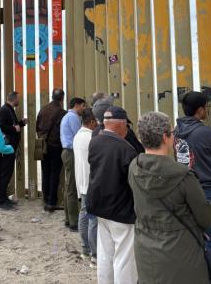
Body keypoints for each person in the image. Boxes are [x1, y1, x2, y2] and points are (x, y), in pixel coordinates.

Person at [129, 111, 211, 284]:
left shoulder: (134, 166)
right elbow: (205, 218)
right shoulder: (183, 175)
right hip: (181, 249)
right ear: (165, 137)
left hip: (145, 244)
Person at [173, 91, 211, 269]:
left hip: (187, 191)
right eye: (206, 107)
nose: (207, 110)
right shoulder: (205, 132)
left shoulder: (176, 132)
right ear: (199, 110)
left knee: (193, 241)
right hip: (210, 192)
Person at [87, 106, 138, 284]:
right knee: (124, 257)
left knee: (105, 254)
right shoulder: (126, 150)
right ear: (121, 124)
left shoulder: (95, 142)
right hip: (121, 209)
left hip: (100, 206)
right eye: (127, 126)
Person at [73, 108, 98, 267]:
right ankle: (95, 254)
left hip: (81, 181)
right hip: (91, 182)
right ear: (92, 122)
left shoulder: (77, 136)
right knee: (93, 218)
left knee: (84, 214)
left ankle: (85, 249)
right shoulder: (91, 138)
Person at [37, 88, 67, 212]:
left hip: (42, 144)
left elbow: (37, 126)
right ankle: (52, 202)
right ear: (62, 98)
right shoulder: (62, 112)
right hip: (55, 146)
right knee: (55, 174)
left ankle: (45, 199)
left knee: (45, 172)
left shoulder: (43, 109)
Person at [0, 91, 27, 208]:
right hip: (7, 146)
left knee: (7, 173)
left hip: (10, 146)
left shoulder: (9, 108)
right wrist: (14, 129)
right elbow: (0, 126)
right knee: (5, 173)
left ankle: (3, 198)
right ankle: (1, 200)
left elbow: (12, 126)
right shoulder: (4, 109)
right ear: (13, 99)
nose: (19, 101)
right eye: (18, 99)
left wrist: (21, 124)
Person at [60, 97, 87, 231]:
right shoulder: (73, 117)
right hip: (71, 152)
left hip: (67, 152)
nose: (84, 108)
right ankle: (73, 221)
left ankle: (68, 218)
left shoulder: (67, 116)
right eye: (83, 105)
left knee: (68, 185)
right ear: (76, 105)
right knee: (72, 187)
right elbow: (79, 136)